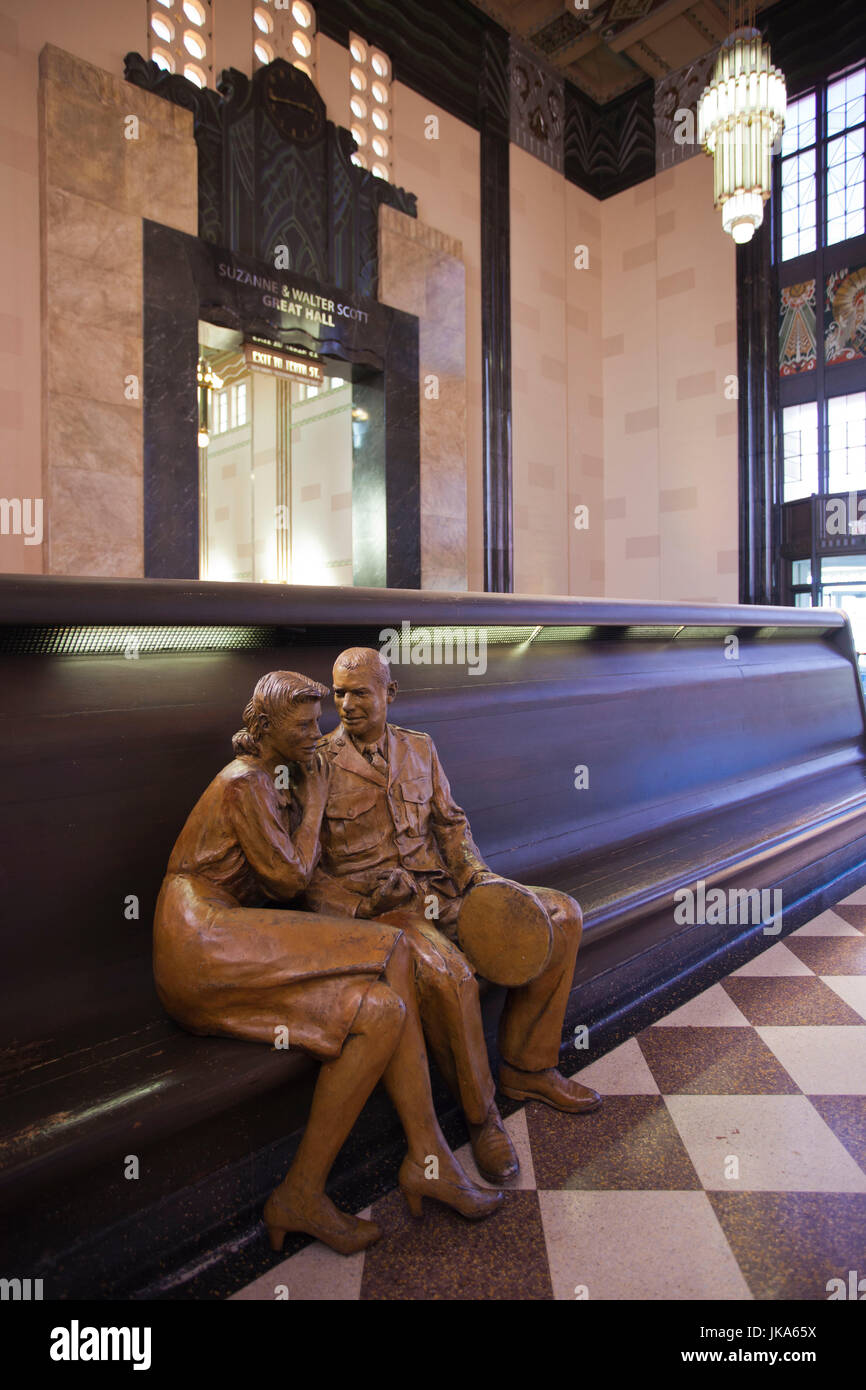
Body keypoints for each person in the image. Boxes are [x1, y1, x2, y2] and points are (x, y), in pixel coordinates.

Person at [153, 669, 501, 1258]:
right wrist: (315, 801)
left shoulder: (274, 775)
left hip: (230, 936)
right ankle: (429, 1153)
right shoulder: (245, 783)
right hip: (199, 936)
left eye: (320, 720)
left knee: (379, 1010)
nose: (320, 731)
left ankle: (301, 1192)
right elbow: (290, 879)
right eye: (306, 723)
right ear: (266, 730)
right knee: (390, 946)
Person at [304, 648, 602, 1184]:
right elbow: (305, 873)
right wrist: (362, 905)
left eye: (359, 693)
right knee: (451, 974)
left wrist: (480, 879)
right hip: (385, 915)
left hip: (444, 890)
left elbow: (451, 825)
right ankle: (481, 1118)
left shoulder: (420, 748)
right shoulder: (316, 764)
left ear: (389, 694)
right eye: (339, 693)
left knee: (560, 914)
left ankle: (528, 1067)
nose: (346, 704)